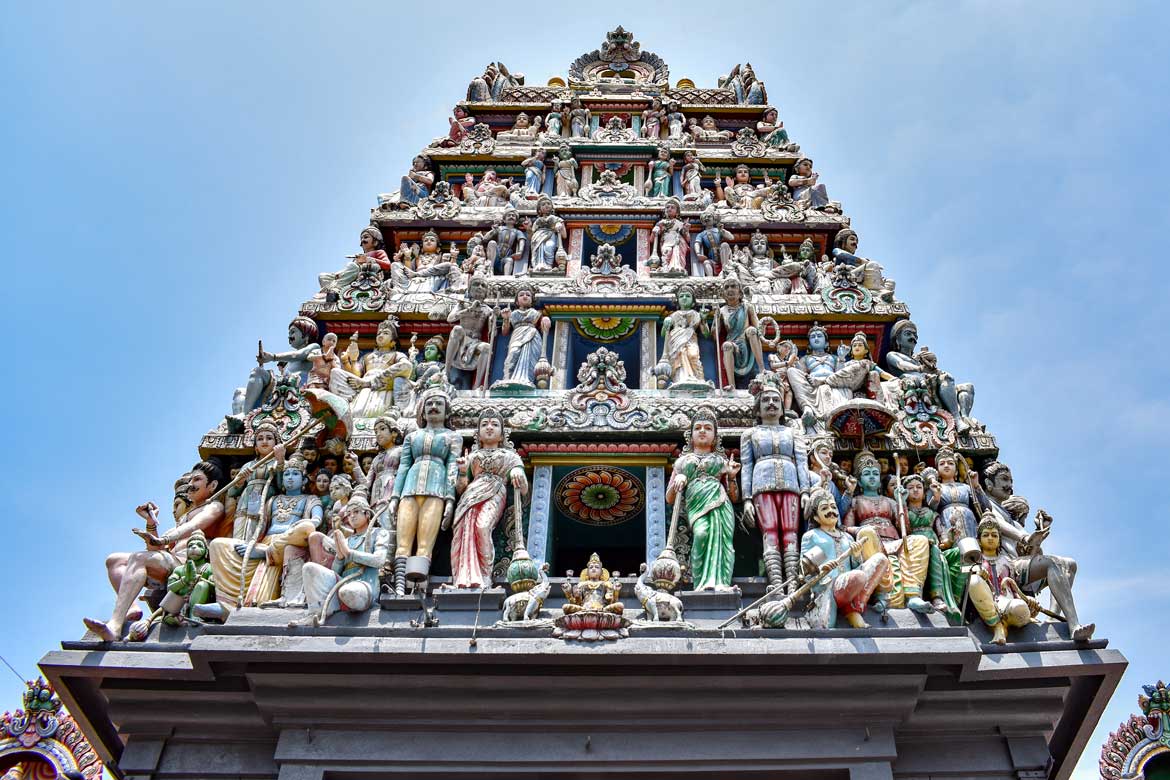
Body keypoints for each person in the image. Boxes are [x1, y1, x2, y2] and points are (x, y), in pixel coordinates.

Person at [84, 462, 225, 642]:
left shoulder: (214, 507)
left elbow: (194, 527)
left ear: (212, 486)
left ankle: (115, 625)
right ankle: (131, 609)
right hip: (171, 560)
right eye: (190, 479)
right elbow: (156, 550)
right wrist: (151, 523)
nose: (191, 484)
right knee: (115, 560)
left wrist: (166, 539)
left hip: (191, 565)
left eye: (197, 479)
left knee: (139, 558)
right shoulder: (183, 517)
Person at [385, 389, 461, 595]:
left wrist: (450, 499)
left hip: (436, 491)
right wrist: (394, 497)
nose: (433, 407)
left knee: (425, 544)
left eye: (438, 404)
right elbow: (403, 467)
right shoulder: (413, 437)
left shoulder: (452, 437)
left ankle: (418, 587)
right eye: (429, 404)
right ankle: (399, 586)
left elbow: (453, 467)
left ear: (447, 412)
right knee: (403, 543)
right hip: (408, 491)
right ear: (422, 411)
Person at [740, 384, 810, 591]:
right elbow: (746, 466)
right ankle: (777, 584)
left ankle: (793, 583)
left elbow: (802, 461)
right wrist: (746, 499)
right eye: (765, 400)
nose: (771, 404)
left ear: (781, 407)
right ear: (757, 408)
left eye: (775, 400)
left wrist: (805, 491)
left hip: (791, 485)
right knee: (769, 532)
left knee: (790, 532)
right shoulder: (750, 434)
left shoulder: (793, 432)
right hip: (762, 485)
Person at [448, 411, 527, 589]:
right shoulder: (472, 457)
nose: (489, 427)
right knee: (464, 531)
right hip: (470, 496)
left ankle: (484, 575)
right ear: (478, 434)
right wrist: (461, 470)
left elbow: (523, 488)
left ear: (502, 434)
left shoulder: (510, 456)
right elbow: (460, 488)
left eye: (494, 424)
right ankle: (463, 577)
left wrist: (517, 472)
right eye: (484, 424)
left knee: (482, 526)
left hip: (495, 490)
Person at [667, 408, 740, 591]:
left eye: (708, 428)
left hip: (720, 504)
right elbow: (669, 498)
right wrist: (679, 480)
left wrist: (731, 476)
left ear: (715, 437)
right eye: (697, 427)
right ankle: (702, 583)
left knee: (723, 543)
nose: (702, 431)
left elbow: (734, 496)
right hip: (696, 505)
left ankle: (721, 583)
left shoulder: (721, 461)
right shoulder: (682, 462)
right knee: (701, 535)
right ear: (690, 436)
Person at [801, 489, 888, 629]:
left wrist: (856, 555)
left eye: (833, 507)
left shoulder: (846, 537)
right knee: (858, 576)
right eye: (824, 508)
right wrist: (822, 568)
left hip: (852, 584)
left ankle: (855, 606)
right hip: (829, 586)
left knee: (880, 559)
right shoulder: (812, 536)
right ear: (816, 517)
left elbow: (856, 566)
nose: (831, 511)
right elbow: (804, 570)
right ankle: (850, 610)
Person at [302, 495, 389, 623]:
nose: (352, 516)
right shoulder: (347, 540)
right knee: (309, 568)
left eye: (356, 512)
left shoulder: (378, 533)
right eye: (349, 514)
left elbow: (379, 560)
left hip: (364, 585)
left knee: (348, 591)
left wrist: (349, 553)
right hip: (343, 582)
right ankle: (316, 613)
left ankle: (335, 604)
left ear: (367, 514)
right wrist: (340, 557)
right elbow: (336, 571)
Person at [500, 284, 549, 386]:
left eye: (528, 295)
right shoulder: (512, 314)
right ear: (517, 301)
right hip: (517, 335)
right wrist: (505, 319)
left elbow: (543, 326)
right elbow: (504, 332)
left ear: (532, 300)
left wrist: (545, 319)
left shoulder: (535, 313)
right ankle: (507, 379)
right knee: (512, 355)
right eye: (521, 295)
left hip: (532, 335)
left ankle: (528, 381)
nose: (525, 296)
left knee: (530, 359)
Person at [660, 285, 707, 386]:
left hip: (690, 339)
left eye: (687, 296)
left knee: (693, 355)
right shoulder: (674, 315)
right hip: (676, 341)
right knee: (678, 357)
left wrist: (703, 319)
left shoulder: (696, 314)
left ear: (693, 301)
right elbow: (663, 334)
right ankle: (680, 378)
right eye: (681, 296)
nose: (684, 298)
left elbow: (706, 333)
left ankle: (698, 378)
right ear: (678, 301)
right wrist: (666, 323)